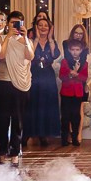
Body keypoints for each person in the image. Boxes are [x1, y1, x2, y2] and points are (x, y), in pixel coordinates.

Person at [0, 10, 32, 159]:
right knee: (2, 120)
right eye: (12, 23)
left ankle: (15, 152)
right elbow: (1, 56)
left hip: (21, 85)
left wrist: (25, 37)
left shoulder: (27, 41)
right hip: (3, 83)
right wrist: (8, 37)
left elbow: (30, 56)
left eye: (18, 23)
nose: (15, 26)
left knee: (18, 120)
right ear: (7, 24)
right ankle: (2, 152)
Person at [26, 15, 62, 150]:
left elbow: (54, 55)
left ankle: (44, 134)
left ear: (50, 28)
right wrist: (35, 39)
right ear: (36, 27)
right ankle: (29, 133)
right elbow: (30, 55)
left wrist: (51, 39)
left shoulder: (52, 42)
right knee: (32, 104)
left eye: (46, 25)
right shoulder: (30, 40)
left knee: (47, 105)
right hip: (34, 73)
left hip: (47, 74)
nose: (43, 28)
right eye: (40, 25)